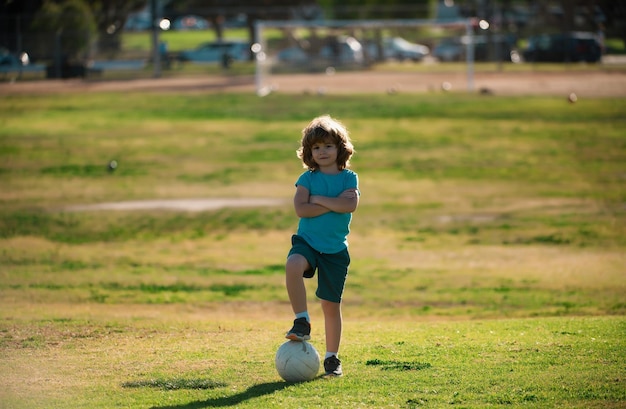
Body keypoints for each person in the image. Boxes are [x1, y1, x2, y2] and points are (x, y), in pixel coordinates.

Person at [284, 115, 359, 378]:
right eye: (316, 147)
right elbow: (301, 210)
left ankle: (331, 358)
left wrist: (319, 200)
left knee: (330, 305)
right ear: (309, 153)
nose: (322, 151)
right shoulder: (307, 179)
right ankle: (301, 320)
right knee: (293, 264)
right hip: (308, 243)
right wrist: (331, 201)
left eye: (328, 146)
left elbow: (349, 205)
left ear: (340, 148)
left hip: (335, 250)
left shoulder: (349, 178)